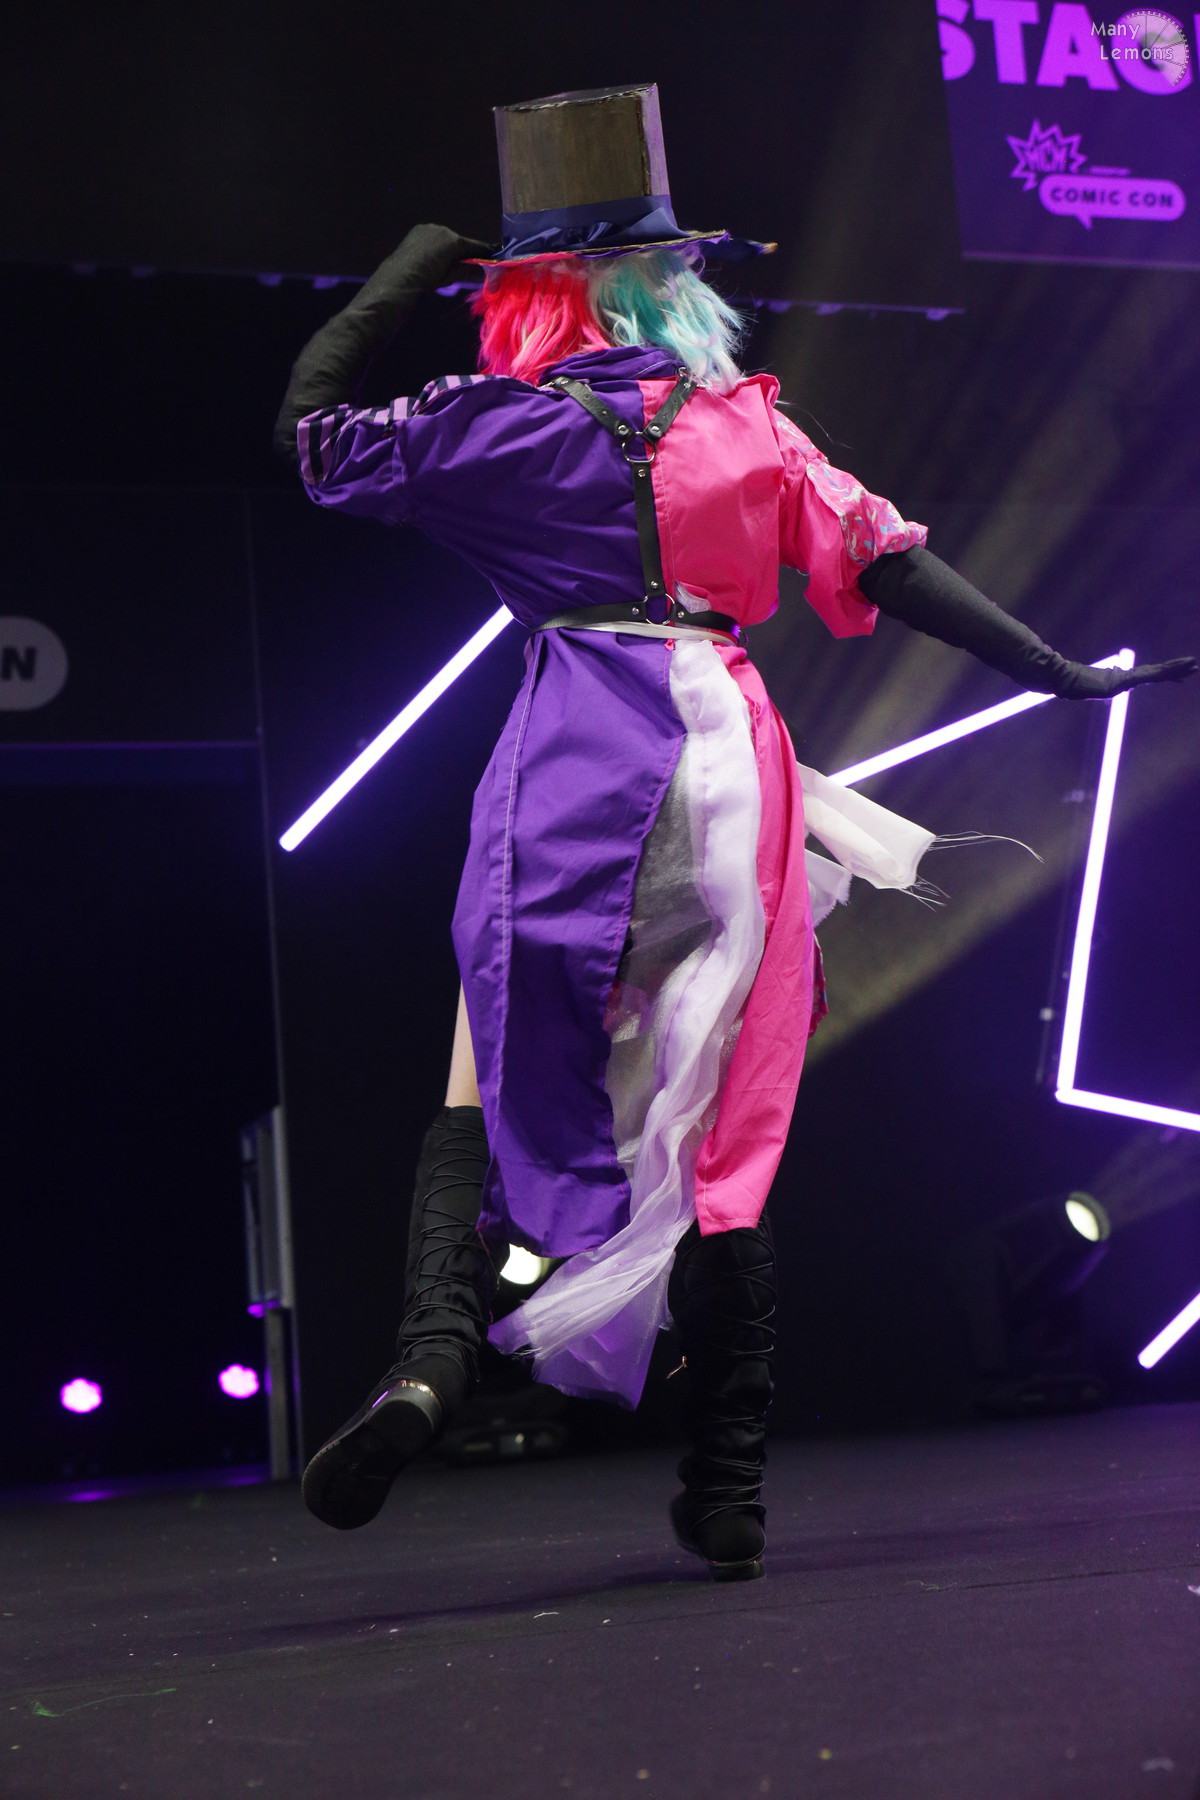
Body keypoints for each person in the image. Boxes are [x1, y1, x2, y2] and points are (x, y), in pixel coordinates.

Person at [274, 85, 1194, 1582]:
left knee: (481, 1060)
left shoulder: (499, 425)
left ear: (532, 296)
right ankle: (727, 1483)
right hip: (729, 775)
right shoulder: (749, 430)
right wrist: (1060, 671)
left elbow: (314, 436)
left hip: (574, 765)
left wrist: (402, 273)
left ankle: (433, 1356)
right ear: (667, 283)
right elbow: (888, 562)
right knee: (732, 1128)